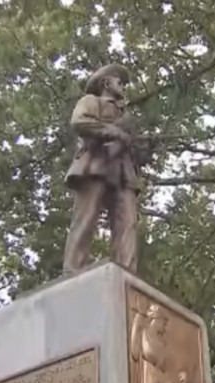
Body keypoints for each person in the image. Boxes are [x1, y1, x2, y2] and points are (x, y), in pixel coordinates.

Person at [63, 63, 141, 276]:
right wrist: (112, 132)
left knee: (128, 223)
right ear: (106, 83)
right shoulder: (91, 101)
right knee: (86, 218)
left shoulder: (125, 115)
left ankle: (127, 274)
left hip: (123, 171)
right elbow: (79, 122)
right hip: (95, 164)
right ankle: (73, 272)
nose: (123, 87)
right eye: (119, 82)